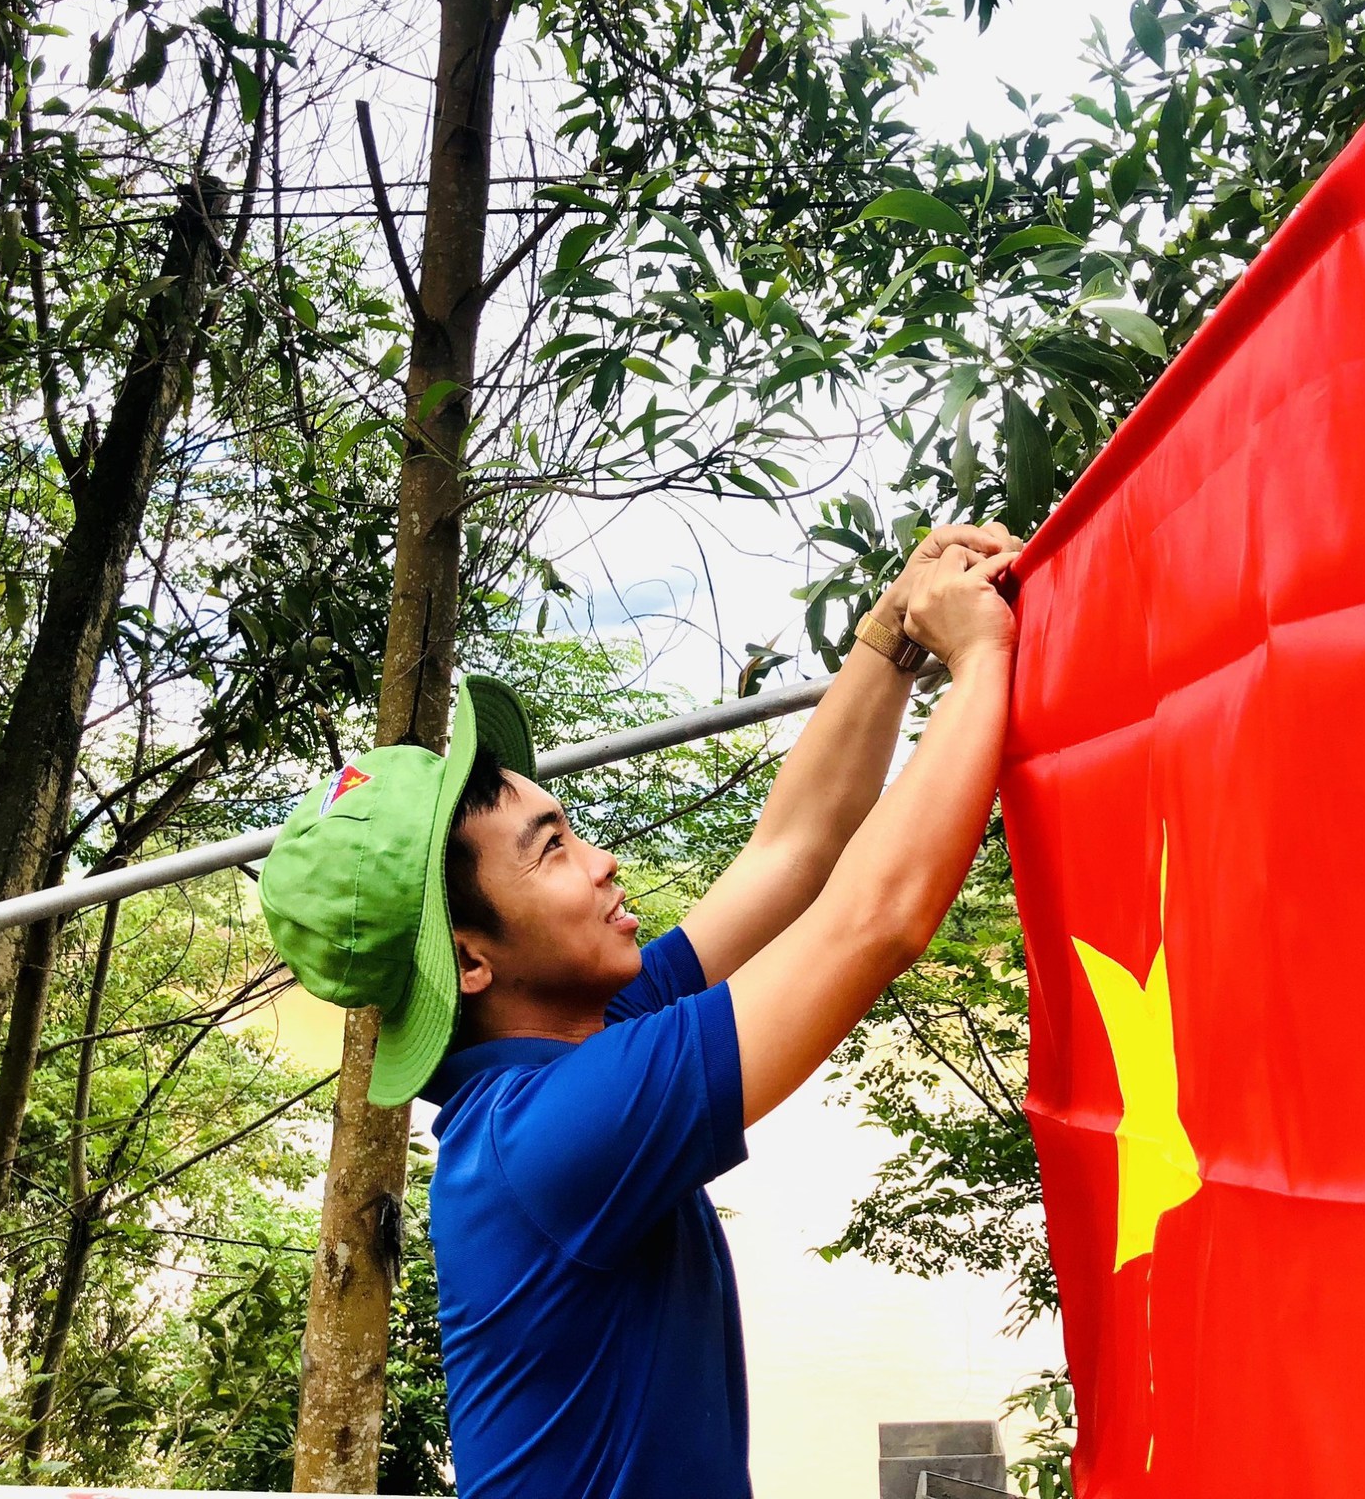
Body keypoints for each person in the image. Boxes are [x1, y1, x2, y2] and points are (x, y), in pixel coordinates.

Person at [258, 523, 1023, 1499]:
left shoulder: (584, 1040)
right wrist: (982, 657)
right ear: (468, 957)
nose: (601, 860)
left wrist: (889, 643)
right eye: (550, 849)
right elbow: (871, 924)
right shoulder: (547, 1136)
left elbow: (789, 856)